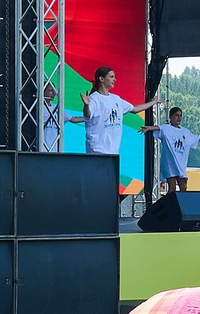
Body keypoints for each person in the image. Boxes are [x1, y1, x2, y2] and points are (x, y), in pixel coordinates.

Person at [65, 67, 158, 219]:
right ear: (101, 79)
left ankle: (103, 217)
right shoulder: (94, 98)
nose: (115, 79)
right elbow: (87, 114)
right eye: (111, 76)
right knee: (97, 186)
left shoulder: (116, 99)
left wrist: (153, 102)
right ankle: (91, 216)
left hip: (112, 153)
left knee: (108, 187)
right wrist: (86, 104)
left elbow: (134, 109)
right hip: (97, 150)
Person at [151, 105, 200, 194]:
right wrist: (148, 128)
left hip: (180, 164)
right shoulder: (166, 128)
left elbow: (197, 137)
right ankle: (169, 205)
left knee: (183, 187)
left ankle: (180, 205)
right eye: (176, 115)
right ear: (171, 116)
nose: (179, 118)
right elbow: (157, 128)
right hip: (170, 163)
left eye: (180, 115)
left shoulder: (185, 132)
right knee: (172, 188)